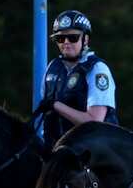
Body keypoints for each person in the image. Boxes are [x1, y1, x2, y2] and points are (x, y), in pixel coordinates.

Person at [34, 9, 118, 151]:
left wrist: (56, 105)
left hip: (93, 152)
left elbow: (94, 122)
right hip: (57, 151)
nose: (66, 43)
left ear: (85, 39)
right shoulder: (52, 68)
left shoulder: (97, 69)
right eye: (60, 39)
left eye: (72, 38)